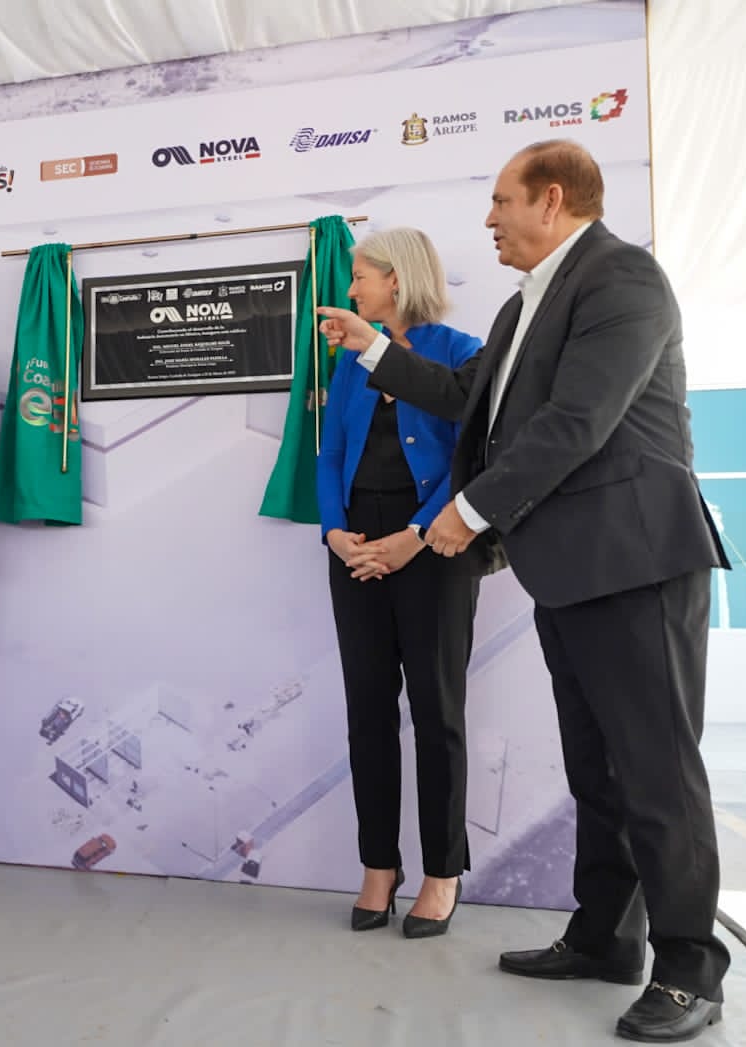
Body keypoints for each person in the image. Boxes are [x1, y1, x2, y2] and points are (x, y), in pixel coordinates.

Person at [318, 140, 729, 1043]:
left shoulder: (623, 280)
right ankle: (605, 937)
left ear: (551, 199)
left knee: (656, 769)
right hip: (569, 565)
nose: (490, 219)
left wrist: (463, 513)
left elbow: (577, 421)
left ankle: (690, 969)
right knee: (597, 768)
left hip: (637, 560)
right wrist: (372, 346)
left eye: (502, 201)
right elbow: (463, 395)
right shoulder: (521, 307)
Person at [315, 228, 481, 939]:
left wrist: (414, 534)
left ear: (397, 278)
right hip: (356, 545)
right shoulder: (352, 357)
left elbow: (471, 459)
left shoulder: (463, 351)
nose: (352, 289)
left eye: (361, 276)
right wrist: (334, 531)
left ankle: (442, 872)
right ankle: (378, 866)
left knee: (438, 712)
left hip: (434, 543)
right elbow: (329, 453)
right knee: (368, 712)